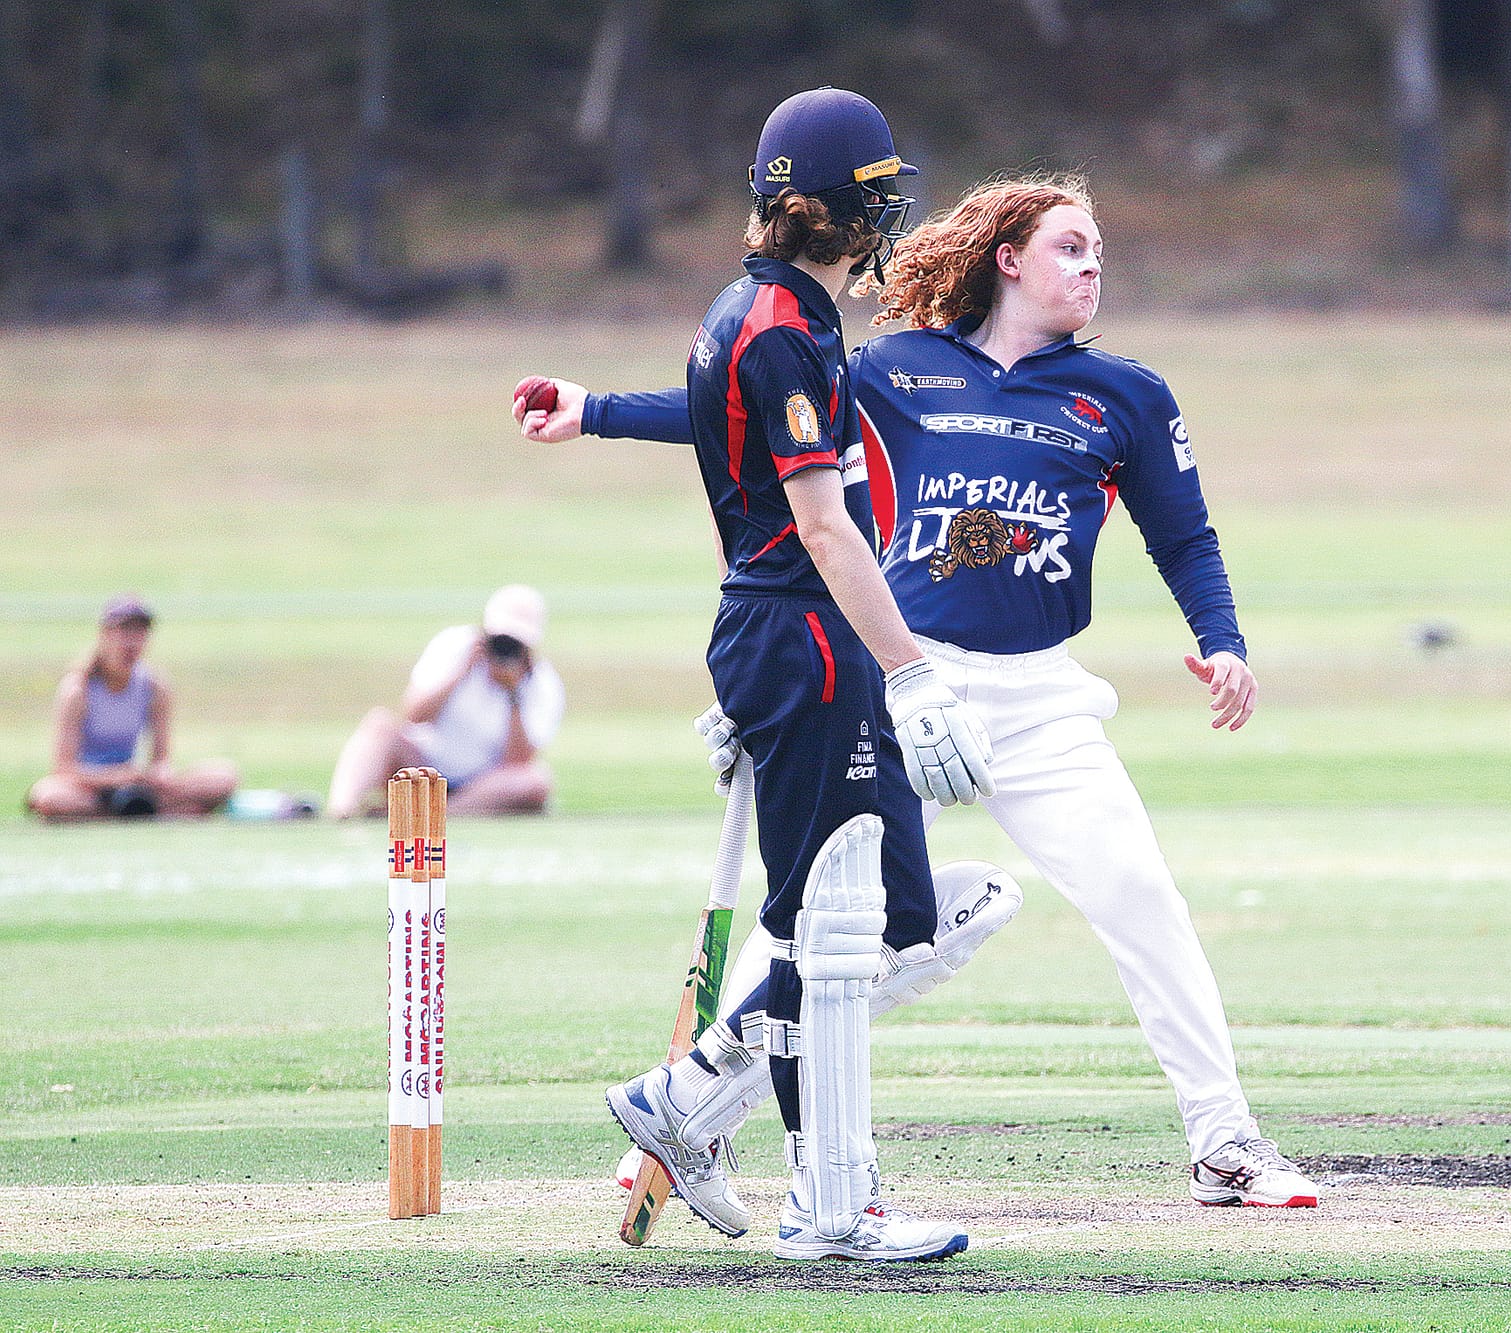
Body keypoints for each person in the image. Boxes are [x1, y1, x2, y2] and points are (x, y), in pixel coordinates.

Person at [526, 174, 1319, 1210]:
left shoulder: (1126, 395)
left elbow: (1184, 535)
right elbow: (757, 419)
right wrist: (594, 412)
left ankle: (1225, 1146)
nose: (1092, 268)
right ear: (1008, 259)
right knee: (811, 918)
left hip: (1040, 704)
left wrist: (1221, 642)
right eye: (1071, 248)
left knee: (1141, 898)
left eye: (1098, 254)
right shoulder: (900, 367)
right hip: (900, 680)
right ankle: (693, 1127)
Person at [522, 88, 994, 1263]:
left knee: (884, 918)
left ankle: (687, 1102)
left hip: (780, 634)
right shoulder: (783, 324)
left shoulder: (759, 307)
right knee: (833, 932)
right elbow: (826, 526)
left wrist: (592, 412)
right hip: (804, 630)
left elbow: (712, 414)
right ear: (830, 211)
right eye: (876, 199)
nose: (889, 219)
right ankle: (830, 1207)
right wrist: (913, 671)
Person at [326, 584, 563, 818]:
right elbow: (413, 715)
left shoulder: (543, 684)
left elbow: (518, 761)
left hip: (483, 786)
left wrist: (513, 695)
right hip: (425, 771)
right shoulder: (455, 646)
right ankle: (341, 812)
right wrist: (461, 671)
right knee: (379, 726)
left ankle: (441, 814)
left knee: (536, 780)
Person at [26, 595, 238, 821]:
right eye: (124, 632)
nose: (132, 642)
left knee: (223, 776)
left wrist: (156, 775)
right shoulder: (77, 690)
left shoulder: (154, 685)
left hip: (137, 783)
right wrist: (117, 777)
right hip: (90, 787)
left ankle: (127, 812)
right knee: (49, 797)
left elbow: (161, 759)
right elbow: (64, 768)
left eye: (140, 633)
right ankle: (153, 813)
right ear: (105, 635)